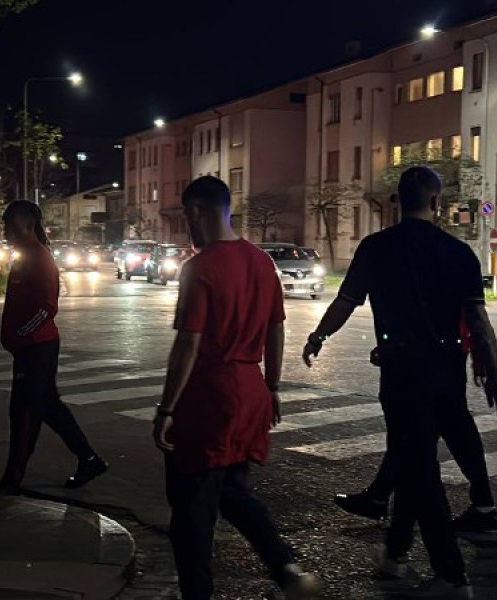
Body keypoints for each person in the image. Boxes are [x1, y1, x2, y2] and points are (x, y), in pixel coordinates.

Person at [302, 165, 497, 598]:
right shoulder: (459, 254)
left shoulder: (376, 248)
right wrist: (495, 373)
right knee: (413, 460)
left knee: (418, 469)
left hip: (402, 373)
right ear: (436, 203)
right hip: (447, 372)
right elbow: (478, 319)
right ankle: (395, 554)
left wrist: (319, 335)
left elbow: (346, 301)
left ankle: (451, 576)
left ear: (398, 200)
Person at [151, 176, 320, 600]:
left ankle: (197, 593)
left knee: (191, 511)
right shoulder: (262, 262)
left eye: (186, 215)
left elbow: (188, 343)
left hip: (209, 395)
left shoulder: (200, 268)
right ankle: (284, 565)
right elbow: (276, 328)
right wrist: (273, 385)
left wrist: (166, 409)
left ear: (195, 212)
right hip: (251, 393)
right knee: (231, 490)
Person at [0, 200, 107, 495]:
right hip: (30, 346)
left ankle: (13, 477)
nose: (5, 230)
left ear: (25, 225)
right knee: (48, 407)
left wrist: (20, 334)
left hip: (37, 347)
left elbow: (46, 307)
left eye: (8, 224)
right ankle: (89, 458)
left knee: (24, 412)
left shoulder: (38, 257)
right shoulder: (26, 255)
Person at [333, 338, 497, 534]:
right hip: (443, 347)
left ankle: (393, 513)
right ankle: (380, 496)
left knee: (425, 427)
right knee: (440, 425)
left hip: (435, 349)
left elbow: (473, 316)